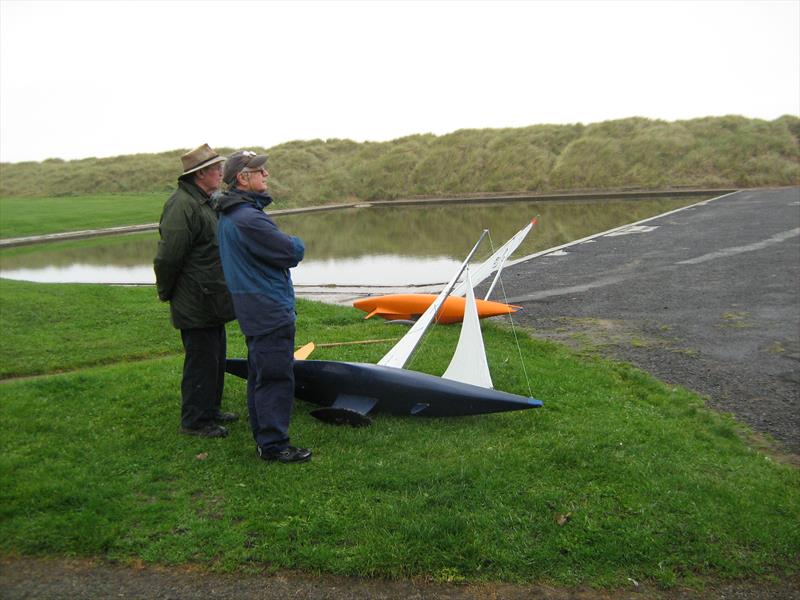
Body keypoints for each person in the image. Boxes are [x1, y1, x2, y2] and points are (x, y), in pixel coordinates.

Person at [216, 150, 311, 464]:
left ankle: (265, 438)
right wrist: (295, 241)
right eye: (261, 171)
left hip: (253, 306)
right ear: (243, 178)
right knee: (275, 376)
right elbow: (291, 251)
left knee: (260, 373)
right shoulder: (248, 219)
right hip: (268, 307)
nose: (266, 175)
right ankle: (273, 445)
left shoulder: (233, 214)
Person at [153, 144, 238, 438]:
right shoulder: (181, 205)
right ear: (201, 174)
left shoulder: (204, 201)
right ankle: (195, 421)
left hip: (211, 298)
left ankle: (210, 410)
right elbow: (168, 257)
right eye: (217, 169)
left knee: (215, 358)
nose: (221, 173)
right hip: (195, 300)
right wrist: (167, 292)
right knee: (201, 362)